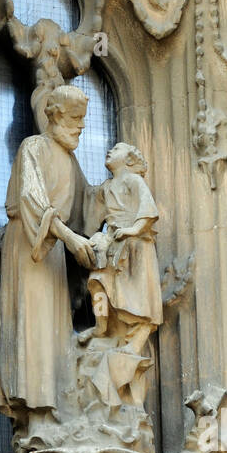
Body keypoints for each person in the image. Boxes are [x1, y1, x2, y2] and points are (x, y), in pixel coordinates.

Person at [0, 84, 96, 435]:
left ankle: (55, 409)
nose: (81, 127)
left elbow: (88, 204)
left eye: (84, 120)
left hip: (54, 255)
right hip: (30, 246)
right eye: (75, 119)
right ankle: (35, 415)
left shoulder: (70, 160)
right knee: (33, 324)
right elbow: (31, 197)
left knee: (55, 327)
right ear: (54, 116)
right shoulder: (33, 147)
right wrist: (69, 238)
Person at [83, 143, 162, 354]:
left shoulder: (133, 181)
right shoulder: (106, 187)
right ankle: (101, 327)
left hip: (135, 245)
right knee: (97, 282)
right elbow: (91, 214)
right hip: (111, 243)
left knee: (136, 295)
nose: (109, 150)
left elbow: (148, 209)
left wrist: (133, 230)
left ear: (128, 160)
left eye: (116, 149)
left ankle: (136, 343)